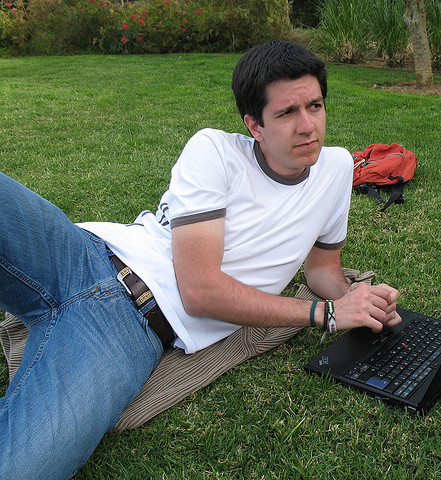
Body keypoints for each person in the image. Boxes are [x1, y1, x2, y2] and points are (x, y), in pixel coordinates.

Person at [0, 40, 401, 479]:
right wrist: (324, 314)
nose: (308, 126)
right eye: (287, 113)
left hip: (129, 327)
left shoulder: (337, 168)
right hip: (81, 254)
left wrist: (356, 301)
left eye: (315, 106)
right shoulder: (214, 150)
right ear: (255, 125)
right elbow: (200, 291)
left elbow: (322, 269)